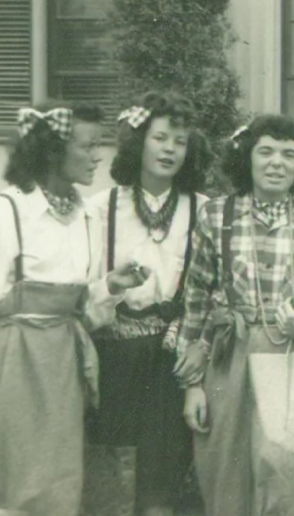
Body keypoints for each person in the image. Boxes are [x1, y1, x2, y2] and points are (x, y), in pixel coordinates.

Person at [0, 102, 144, 516]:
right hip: (11, 377)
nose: (98, 156)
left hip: (65, 379)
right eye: (88, 146)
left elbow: (78, 312)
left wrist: (109, 287)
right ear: (53, 150)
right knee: (5, 497)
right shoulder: (0, 215)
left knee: (59, 494)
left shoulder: (86, 217)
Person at [172, 114, 294, 516]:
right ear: (246, 159)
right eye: (265, 152)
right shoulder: (217, 216)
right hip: (229, 358)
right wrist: (192, 386)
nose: (276, 163)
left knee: (293, 479)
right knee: (225, 475)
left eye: (288, 154)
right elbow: (195, 302)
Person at [87, 92, 212, 516]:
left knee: (161, 484)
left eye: (179, 142)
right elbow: (84, 291)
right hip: (115, 358)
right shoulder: (101, 209)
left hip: (169, 363)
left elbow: (212, 292)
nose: (170, 150)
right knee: (113, 479)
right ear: (138, 142)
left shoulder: (204, 211)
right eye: (160, 138)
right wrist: (112, 284)